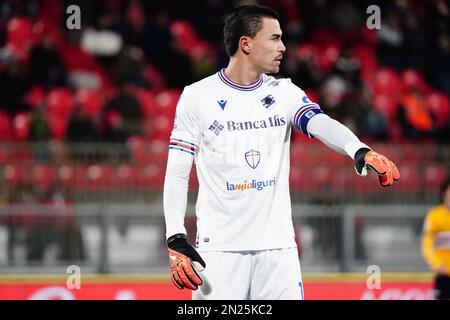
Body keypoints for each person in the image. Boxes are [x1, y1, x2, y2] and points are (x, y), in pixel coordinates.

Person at [163, 4, 400, 300]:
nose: (283, 47)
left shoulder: (284, 92)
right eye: (274, 38)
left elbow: (319, 122)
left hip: (279, 252)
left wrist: (358, 149)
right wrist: (176, 236)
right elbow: (177, 170)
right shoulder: (197, 97)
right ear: (245, 44)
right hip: (218, 251)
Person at [421, 178, 450, 300]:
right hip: (444, 275)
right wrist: (437, 265)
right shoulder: (435, 216)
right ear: (444, 194)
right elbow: (427, 244)